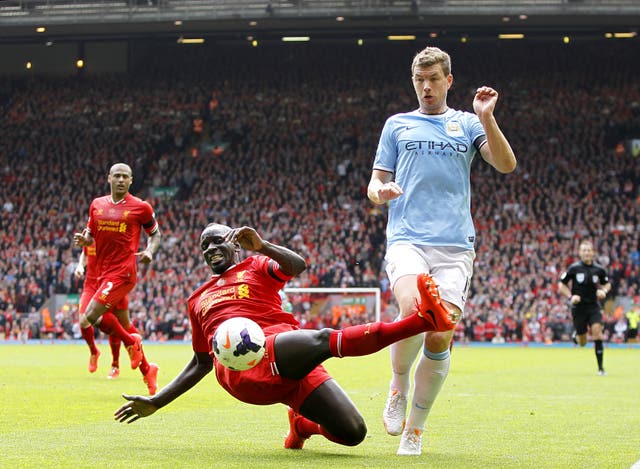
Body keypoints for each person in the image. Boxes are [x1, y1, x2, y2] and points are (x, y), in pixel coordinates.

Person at [113, 223, 456, 450]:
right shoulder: (197, 299)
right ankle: (423, 321)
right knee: (323, 339)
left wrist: (262, 246)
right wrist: (157, 402)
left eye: (218, 240)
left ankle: (303, 426)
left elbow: (297, 266)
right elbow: (201, 363)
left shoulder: (256, 265)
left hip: (288, 351)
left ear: (235, 244)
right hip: (243, 367)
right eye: (205, 245)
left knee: (352, 433)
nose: (211, 248)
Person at [367, 46, 517, 455]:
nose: (426, 87)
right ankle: (397, 385)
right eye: (419, 80)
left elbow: (505, 164)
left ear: (448, 81)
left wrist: (487, 118)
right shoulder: (397, 125)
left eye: (434, 79)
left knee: (440, 332)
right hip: (408, 238)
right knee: (415, 309)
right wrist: (381, 191)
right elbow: (375, 183)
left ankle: (415, 429)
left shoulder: (468, 124)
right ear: (413, 81)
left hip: (454, 246)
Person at [73, 162, 162, 394]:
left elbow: (155, 234)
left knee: (90, 316)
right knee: (122, 323)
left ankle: (131, 343)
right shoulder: (97, 205)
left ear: (131, 180)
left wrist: (150, 251)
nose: (121, 180)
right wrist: (84, 241)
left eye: (125, 176)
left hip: (123, 273)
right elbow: (90, 233)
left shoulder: (140, 207)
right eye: (117, 176)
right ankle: (147, 370)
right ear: (109, 178)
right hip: (101, 275)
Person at [558, 240, 612, 375]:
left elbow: (607, 284)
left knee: (597, 333)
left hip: (593, 307)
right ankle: (577, 335)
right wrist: (571, 297)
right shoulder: (573, 268)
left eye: (589, 250)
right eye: (584, 250)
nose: (587, 253)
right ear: (580, 253)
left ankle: (601, 368)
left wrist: (603, 291)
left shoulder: (599, 269)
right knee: (582, 342)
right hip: (578, 309)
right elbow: (561, 285)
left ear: (592, 252)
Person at [74, 243, 123, 379]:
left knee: (116, 323)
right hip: (90, 285)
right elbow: (85, 252)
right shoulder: (90, 233)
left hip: (108, 283)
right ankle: (94, 351)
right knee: (83, 320)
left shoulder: (110, 234)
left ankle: (115, 365)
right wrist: (80, 266)